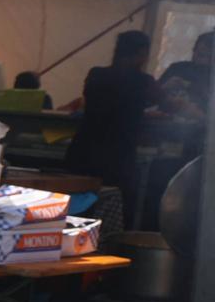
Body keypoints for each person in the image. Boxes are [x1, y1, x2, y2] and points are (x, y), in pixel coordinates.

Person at [64, 30, 158, 194]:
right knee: (108, 204)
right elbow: (167, 104)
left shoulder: (95, 74)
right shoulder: (144, 82)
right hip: (118, 157)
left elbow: (101, 105)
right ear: (142, 53)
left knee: (75, 202)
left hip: (83, 150)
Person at [157, 32, 212, 121]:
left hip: (200, 130)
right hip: (166, 124)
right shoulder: (177, 68)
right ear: (194, 51)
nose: (204, 61)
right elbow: (152, 97)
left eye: (210, 57)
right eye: (200, 55)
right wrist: (165, 87)